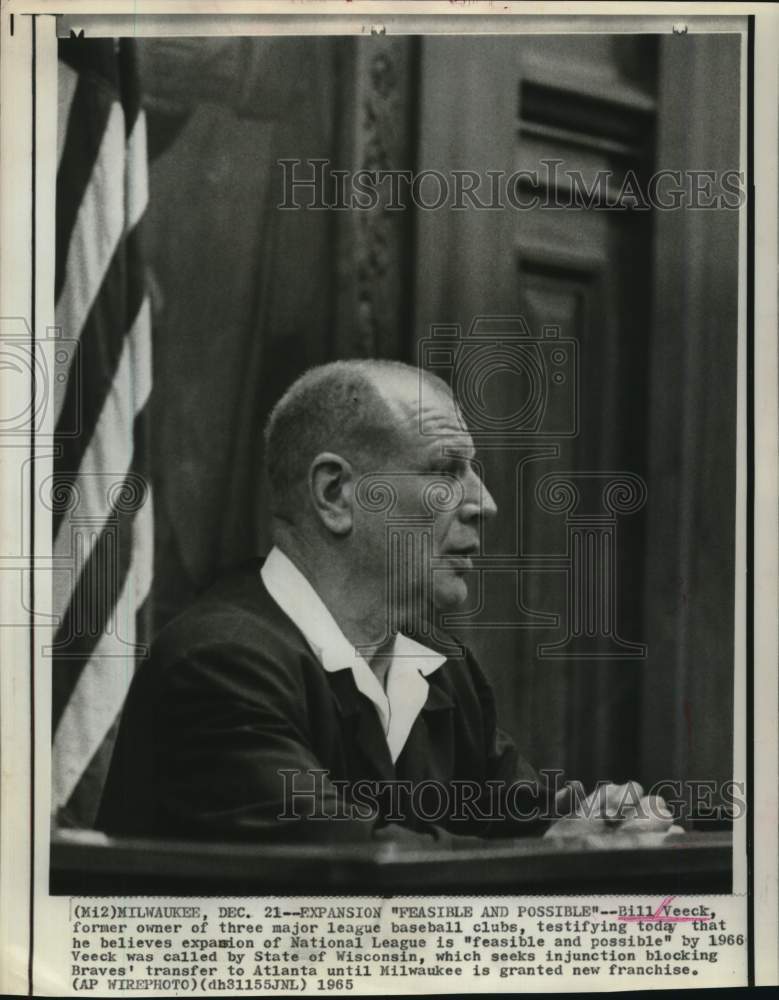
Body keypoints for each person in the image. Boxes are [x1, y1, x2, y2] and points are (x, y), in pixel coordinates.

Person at [97, 360, 677, 845]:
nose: (486, 503)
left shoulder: (442, 667)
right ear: (335, 494)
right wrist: (565, 849)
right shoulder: (219, 665)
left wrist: (610, 822)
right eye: (447, 471)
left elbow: (528, 820)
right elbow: (358, 873)